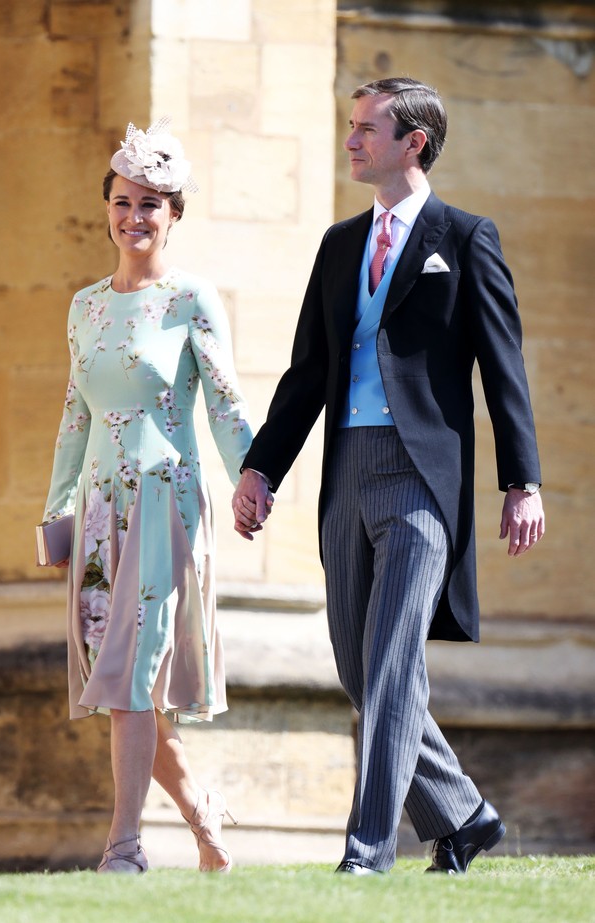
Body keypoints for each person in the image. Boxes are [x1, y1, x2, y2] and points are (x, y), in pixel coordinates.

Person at [232, 77, 545, 874]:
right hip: (348, 470)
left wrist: (523, 479)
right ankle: (464, 813)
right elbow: (307, 374)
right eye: (350, 127)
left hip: (421, 480)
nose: (351, 140)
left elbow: (502, 367)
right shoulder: (340, 245)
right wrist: (261, 466)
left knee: (396, 657)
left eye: (367, 128)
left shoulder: (466, 237)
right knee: (358, 664)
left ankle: (367, 851)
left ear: (415, 143)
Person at [41, 119, 260, 874]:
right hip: (99, 515)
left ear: (174, 216)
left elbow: (227, 403)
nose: (135, 216)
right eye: (125, 201)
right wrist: (55, 510)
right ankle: (203, 810)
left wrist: (253, 479)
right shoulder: (83, 306)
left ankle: (124, 846)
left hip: (165, 507)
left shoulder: (191, 298)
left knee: (133, 673)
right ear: (107, 207)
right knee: (120, 683)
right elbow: (76, 413)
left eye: (152, 205)